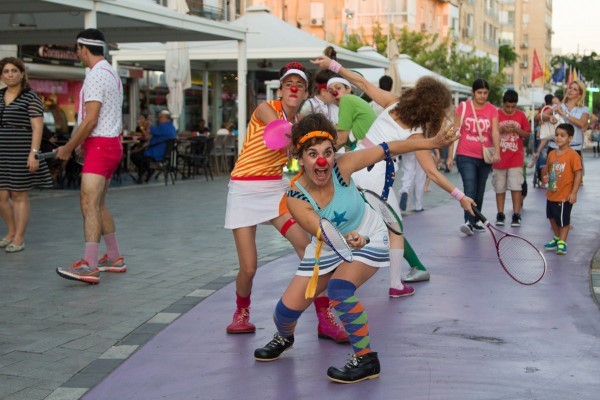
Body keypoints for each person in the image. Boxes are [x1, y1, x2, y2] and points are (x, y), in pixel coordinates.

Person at [253, 113, 460, 383]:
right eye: (313, 153)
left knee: (340, 289)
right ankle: (284, 337)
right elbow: (322, 230)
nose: (322, 161)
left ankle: (365, 359)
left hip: (369, 235)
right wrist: (344, 238)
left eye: (327, 152)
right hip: (328, 245)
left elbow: (390, 147)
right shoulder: (295, 197)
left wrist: (431, 142)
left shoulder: (343, 165)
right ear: (300, 157)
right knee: (284, 312)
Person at [311, 55, 475, 289]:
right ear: (434, 110)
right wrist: (460, 196)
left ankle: (326, 269)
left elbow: (363, 84)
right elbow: (432, 172)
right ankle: (395, 284)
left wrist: (333, 66)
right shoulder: (416, 133)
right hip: (376, 174)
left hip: (354, 163)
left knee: (351, 221)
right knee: (394, 229)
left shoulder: (394, 103)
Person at [223, 61, 347, 343]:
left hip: (275, 191)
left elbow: (307, 154)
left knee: (309, 251)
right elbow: (278, 128)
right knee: (249, 267)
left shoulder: (298, 126)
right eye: (289, 83)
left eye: (300, 85)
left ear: (304, 94)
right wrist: (304, 141)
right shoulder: (266, 109)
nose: (294, 88)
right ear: (280, 90)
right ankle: (241, 313)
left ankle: (324, 318)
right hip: (243, 189)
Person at [55, 28, 126, 284]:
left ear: (83, 49)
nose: (77, 54)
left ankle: (90, 264)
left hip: (100, 146)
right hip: (111, 145)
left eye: (77, 50)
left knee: (88, 204)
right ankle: (114, 256)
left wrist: (68, 146)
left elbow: (90, 119)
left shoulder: (96, 75)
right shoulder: (111, 72)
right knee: (98, 204)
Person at [0, 57, 53, 253]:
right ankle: (11, 231)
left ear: (22, 73)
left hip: (21, 150)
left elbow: (37, 127)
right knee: (1, 196)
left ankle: (19, 238)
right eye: (6, 71)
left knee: (19, 194)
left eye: (14, 70)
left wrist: (34, 153)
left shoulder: (31, 97)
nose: (10, 74)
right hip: (2, 150)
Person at [447, 78, 500, 236]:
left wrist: (497, 151)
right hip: (465, 154)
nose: (482, 96)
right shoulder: (463, 107)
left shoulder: (492, 109)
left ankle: (476, 220)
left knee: (480, 190)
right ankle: (468, 222)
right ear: (473, 92)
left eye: (485, 93)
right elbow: (455, 131)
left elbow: (495, 131)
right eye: (479, 92)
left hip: (484, 156)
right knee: (469, 187)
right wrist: (450, 155)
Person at [541, 123, 582, 255]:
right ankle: (557, 238)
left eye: (562, 136)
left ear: (570, 138)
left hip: (565, 194)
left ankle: (562, 242)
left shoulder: (573, 155)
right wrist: (546, 178)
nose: (558, 138)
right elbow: (548, 171)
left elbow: (578, 174)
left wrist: (574, 192)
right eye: (557, 135)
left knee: (563, 220)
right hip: (552, 193)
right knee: (552, 217)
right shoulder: (552, 154)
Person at [493, 89, 531, 227]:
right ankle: (500, 213)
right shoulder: (496, 114)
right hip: (499, 158)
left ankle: (516, 214)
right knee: (499, 187)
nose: (510, 110)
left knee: (516, 186)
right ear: (503, 103)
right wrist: (501, 130)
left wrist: (517, 130)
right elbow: (490, 132)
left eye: (513, 107)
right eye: (507, 106)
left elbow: (527, 133)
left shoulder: (520, 115)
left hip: (516, 158)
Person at [130, 110, 177, 183]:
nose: (159, 119)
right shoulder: (172, 127)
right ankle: (146, 171)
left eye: (161, 117)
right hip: (164, 152)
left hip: (156, 152)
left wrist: (143, 124)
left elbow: (149, 130)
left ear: (166, 118)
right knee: (137, 151)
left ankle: (146, 170)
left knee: (135, 156)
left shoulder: (163, 127)